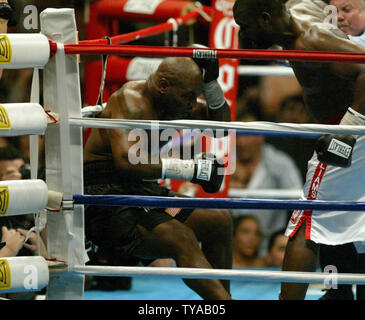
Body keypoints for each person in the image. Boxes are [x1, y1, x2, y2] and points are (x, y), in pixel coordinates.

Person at [233, 0, 365, 300]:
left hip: (353, 129)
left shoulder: (313, 39)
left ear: (266, 19)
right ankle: (339, 294)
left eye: (246, 26)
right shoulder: (297, 7)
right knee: (340, 215)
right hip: (349, 125)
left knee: (307, 218)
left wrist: (348, 130)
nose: (243, 33)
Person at [83, 57, 233, 300]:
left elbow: (221, 129)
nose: (192, 103)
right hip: (107, 197)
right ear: (163, 85)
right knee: (181, 238)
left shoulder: (176, 104)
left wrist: (211, 83)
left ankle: (221, 302)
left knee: (219, 221)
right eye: (187, 96)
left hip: (143, 192)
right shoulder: (131, 100)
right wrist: (190, 170)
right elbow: (126, 159)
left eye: (195, 95)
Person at [230, 111, 303, 255]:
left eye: (246, 135)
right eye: (238, 135)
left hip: (268, 247)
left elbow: (299, 199)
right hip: (229, 245)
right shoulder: (224, 160)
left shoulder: (279, 163)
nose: (241, 142)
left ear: (260, 136)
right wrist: (227, 187)